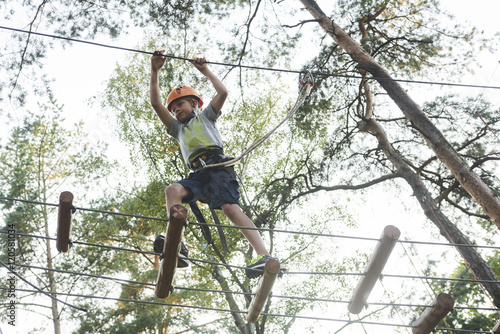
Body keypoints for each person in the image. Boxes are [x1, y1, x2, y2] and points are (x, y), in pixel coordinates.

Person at [150, 50, 277, 278]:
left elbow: (223, 92)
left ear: (194, 104)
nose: (176, 109)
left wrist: (205, 70)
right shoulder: (177, 129)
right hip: (198, 173)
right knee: (173, 190)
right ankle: (177, 244)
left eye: (180, 104)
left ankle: (263, 254)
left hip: (218, 166)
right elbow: (156, 104)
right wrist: (155, 70)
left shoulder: (206, 116)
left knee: (230, 208)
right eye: (174, 108)